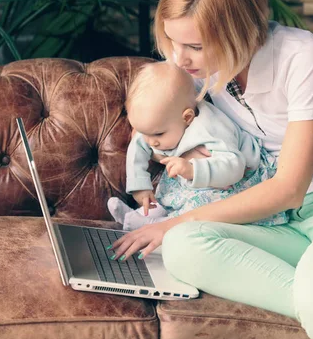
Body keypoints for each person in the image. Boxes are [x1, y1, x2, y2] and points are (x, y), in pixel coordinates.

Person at [112, 0, 313, 339]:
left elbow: (289, 186)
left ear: (237, 32)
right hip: (287, 222)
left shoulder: (301, 55)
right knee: (184, 246)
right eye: (172, 42)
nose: (180, 59)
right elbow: (153, 119)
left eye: (195, 46)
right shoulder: (204, 74)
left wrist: (170, 223)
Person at [108, 61, 287, 230]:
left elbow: (235, 166)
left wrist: (193, 170)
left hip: (240, 178)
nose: (150, 141)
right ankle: (144, 214)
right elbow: (137, 147)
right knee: (168, 193)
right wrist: (141, 186)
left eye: (158, 135)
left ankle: (159, 225)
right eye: (143, 132)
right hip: (192, 174)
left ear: (187, 118)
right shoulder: (157, 125)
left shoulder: (211, 128)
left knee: (205, 202)